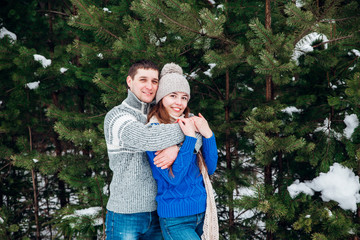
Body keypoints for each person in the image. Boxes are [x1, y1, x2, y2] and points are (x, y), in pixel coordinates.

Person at [103, 60, 202, 239]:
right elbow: (149, 138)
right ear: (129, 81)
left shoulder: (163, 112)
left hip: (158, 213)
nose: (149, 86)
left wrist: (178, 147)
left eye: (154, 81)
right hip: (126, 213)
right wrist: (190, 130)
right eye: (143, 80)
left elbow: (200, 130)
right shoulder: (117, 116)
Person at [146, 63, 218, 240]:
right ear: (161, 98)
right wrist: (190, 140)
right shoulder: (153, 133)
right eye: (173, 96)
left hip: (202, 211)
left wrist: (207, 133)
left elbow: (210, 168)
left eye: (184, 97)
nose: (179, 103)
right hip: (176, 218)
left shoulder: (189, 124)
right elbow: (174, 178)